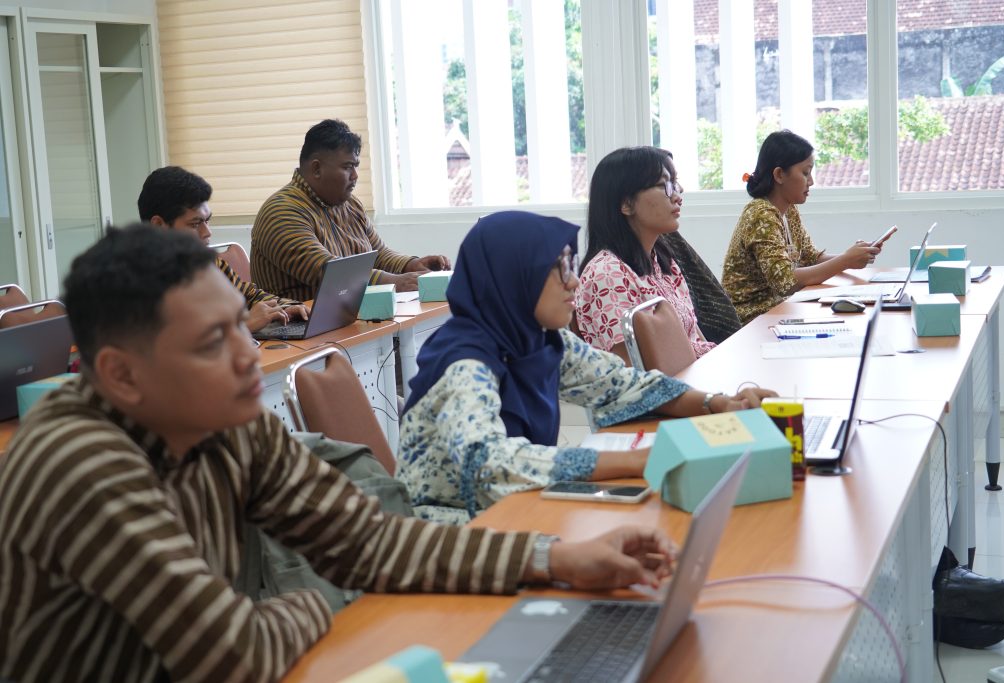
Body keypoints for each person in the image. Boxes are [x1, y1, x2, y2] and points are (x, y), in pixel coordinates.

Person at [0, 225, 679, 682]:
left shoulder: (227, 422)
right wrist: (323, 597)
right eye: (213, 342)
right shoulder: (81, 461)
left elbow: (374, 545)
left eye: (243, 326)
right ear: (119, 373)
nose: (248, 357)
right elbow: (237, 651)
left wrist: (558, 560)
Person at [396, 211, 775, 525]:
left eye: (570, 264)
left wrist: (717, 404)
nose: (574, 281)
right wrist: (635, 460)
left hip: (517, 511)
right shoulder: (465, 362)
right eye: (559, 268)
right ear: (515, 278)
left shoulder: (539, 340)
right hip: (453, 531)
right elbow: (489, 465)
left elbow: (621, 384)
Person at [250, 119, 451, 300]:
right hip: (295, 330)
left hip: (343, 324)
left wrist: (410, 265)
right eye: (347, 167)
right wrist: (394, 282)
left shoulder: (350, 205)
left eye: (356, 166)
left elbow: (378, 254)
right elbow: (328, 273)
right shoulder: (282, 212)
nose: (355, 175)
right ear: (316, 169)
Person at [721, 130, 888, 323]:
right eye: (805, 173)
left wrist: (853, 257)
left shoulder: (788, 210)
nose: (811, 181)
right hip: (751, 318)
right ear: (779, 175)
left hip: (780, 309)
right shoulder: (761, 214)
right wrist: (844, 260)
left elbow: (810, 257)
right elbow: (785, 281)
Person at [576, 146, 717, 359]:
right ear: (626, 203)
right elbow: (634, 372)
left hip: (698, 377)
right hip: (671, 389)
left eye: (675, 185)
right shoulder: (607, 275)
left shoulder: (662, 263)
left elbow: (695, 338)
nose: (677, 196)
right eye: (664, 186)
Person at [138, 165, 309, 332]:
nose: (207, 232)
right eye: (195, 224)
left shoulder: (207, 263)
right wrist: (243, 325)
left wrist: (287, 307)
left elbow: (250, 295)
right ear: (159, 226)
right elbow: (172, 347)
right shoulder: (134, 282)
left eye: (207, 220)